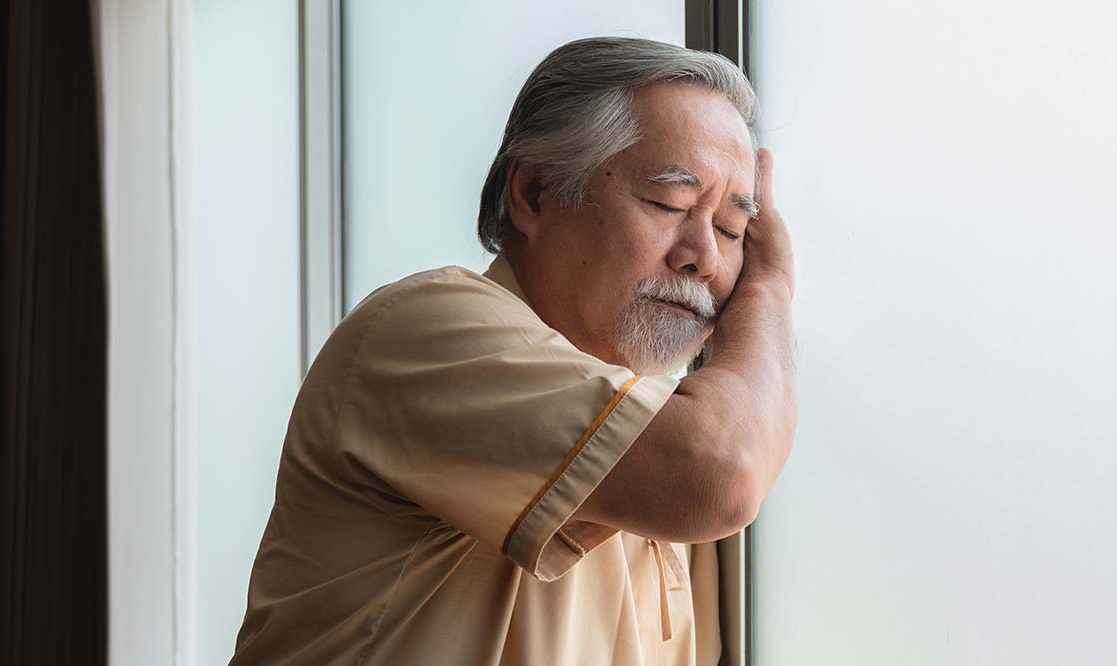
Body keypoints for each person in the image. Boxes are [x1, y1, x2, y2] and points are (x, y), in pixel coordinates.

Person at [230, 36, 796, 665]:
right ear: (533, 194)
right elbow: (722, 472)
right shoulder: (425, 331)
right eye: (669, 203)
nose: (705, 257)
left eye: (731, 229)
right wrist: (770, 287)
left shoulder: (657, 426)